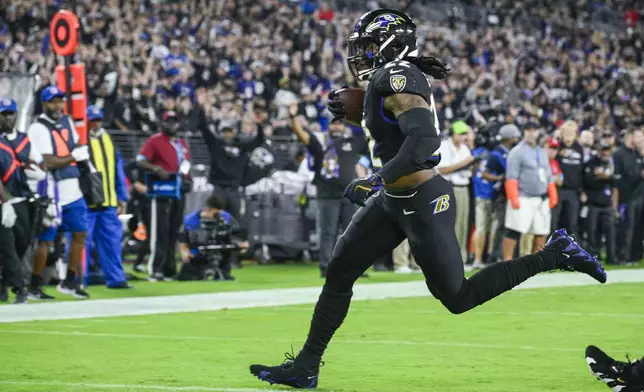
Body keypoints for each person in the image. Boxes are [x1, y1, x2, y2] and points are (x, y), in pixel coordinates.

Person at [248, 9, 606, 388]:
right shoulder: (388, 80)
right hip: (392, 200)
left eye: (369, 47)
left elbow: (425, 142)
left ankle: (555, 254)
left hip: (423, 200)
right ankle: (306, 366)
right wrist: (366, 117)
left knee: (458, 297)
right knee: (339, 272)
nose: (362, 55)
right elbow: (400, 130)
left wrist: (376, 177)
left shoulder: (397, 76)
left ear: (391, 45)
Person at [287, 103, 368, 277]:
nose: (336, 126)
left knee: (352, 234)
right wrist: (293, 118)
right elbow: (301, 135)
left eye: (339, 123)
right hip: (327, 195)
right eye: (333, 123)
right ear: (328, 126)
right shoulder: (320, 142)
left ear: (344, 126)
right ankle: (326, 266)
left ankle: (352, 268)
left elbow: (371, 132)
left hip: (349, 195)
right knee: (327, 233)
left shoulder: (352, 142)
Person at [27, 86, 90, 300]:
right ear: (44, 103)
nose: (57, 105)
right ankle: (34, 284)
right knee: (45, 240)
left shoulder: (67, 121)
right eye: (53, 101)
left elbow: (75, 145)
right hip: (52, 190)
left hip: (73, 188)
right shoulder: (37, 128)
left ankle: (70, 281)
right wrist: (74, 155)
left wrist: (79, 152)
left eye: (60, 101)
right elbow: (47, 161)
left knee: (80, 232)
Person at [137, 110, 192, 281]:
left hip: (178, 191)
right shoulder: (155, 140)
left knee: (173, 232)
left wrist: (188, 179)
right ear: (162, 123)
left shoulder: (182, 143)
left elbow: (186, 164)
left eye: (174, 122)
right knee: (159, 231)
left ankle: (169, 269)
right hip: (161, 191)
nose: (171, 125)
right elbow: (140, 160)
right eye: (168, 122)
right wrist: (156, 169)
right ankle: (155, 268)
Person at [0, 98, 45, 304]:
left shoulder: (25, 140)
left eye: (10, 113)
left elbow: (36, 164)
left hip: (23, 199)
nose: (7, 118)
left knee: (22, 244)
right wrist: (5, 202)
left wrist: (36, 173)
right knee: (8, 247)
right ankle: (20, 289)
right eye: (3, 114)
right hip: (4, 202)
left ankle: (3, 283)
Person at [84, 106, 131, 289]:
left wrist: (122, 196)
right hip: (87, 203)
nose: (95, 123)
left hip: (108, 203)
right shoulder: (80, 140)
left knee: (112, 243)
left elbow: (118, 169)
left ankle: (116, 278)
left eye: (98, 120)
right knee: (81, 244)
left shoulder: (108, 139)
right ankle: (78, 279)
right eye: (92, 120)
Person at [502, 122, 559, 261]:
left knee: (541, 231)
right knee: (514, 230)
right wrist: (513, 196)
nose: (531, 133)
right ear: (524, 133)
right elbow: (511, 176)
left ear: (538, 132)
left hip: (541, 198)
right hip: (523, 196)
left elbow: (548, 175)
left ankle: (536, 263)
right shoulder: (517, 152)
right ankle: (507, 262)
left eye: (534, 130)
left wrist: (552, 191)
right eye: (528, 130)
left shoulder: (541, 152)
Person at [473, 124, 521, 267]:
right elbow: (485, 173)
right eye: (515, 136)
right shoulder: (497, 154)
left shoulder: (508, 151)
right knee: (496, 227)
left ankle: (496, 256)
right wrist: (500, 179)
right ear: (510, 137)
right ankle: (489, 257)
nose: (517, 139)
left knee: (501, 227)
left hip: (504, 195)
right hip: (497, 195)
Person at [178, 194, 249, 281]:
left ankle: (223, 272)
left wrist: (241, 243)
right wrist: (185, 253)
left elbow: (237, 233)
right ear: (207, 209)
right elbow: (183, 241)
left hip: (219, 253)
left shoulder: (225, 217)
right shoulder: (190, 220)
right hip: (197, 253)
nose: (218, 216)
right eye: (215, 214)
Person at [436, 120, 476, 264]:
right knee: (447, 223)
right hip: (448, 187)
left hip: (463, 187)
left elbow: (467, 171)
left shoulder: (465, 148)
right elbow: (440, 170)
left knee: (462, 224)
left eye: (465, 134)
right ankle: (444, 257)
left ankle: (460, 258)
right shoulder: (444, 147)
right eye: (460, 134)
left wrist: (472, 165)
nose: (463, 137)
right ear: (452, 134)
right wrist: (464, 163)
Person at [583, 142, 617, 264]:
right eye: (603, 150)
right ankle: (593, 257)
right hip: (593, 203)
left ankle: (611, 257)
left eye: (607, 150)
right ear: (598, 150)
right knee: (592, 232)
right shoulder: (590, 163)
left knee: (610, 232)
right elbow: (587, 182)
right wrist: (600, 178)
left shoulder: (611, 163)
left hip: (607, 204)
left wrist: (614, 206)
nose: (605, 152)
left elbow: (615, 182)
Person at [613, 129, 644, 264]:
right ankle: (623, 256)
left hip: (640, 196)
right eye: (639, 136)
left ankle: (635, 256)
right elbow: (620, 179)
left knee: (638, 227)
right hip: (627, 197)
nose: (641, 139)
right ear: (630, 137)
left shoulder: (638, 154)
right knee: (627, 228)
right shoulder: (619, 154)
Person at [552, 120, 584, 237]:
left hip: (573, 191)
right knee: (554, 221)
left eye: (572, 132)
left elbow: (582, 171)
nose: (569, 135)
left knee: (572, 223)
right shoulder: (556, 147)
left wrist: (582, 190)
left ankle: (570, 252)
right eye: (566, 132)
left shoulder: (580, 149)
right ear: (562, 133)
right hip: (558, 189)